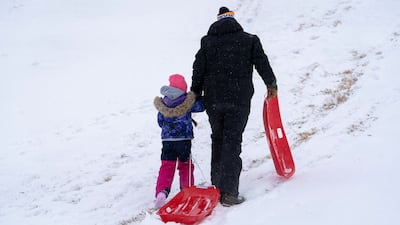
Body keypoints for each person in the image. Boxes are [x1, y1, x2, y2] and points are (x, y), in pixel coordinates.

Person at [190, 7, 278, 207]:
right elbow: (262, 63)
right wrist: (271, 84)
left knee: (218, 138)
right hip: (239, 98)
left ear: (217, 22)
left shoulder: (207, 42)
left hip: (214, 100)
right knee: (232, 140)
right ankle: (228, 192)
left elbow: (198, 69)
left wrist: (195, 93)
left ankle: (217, 185)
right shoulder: (248, 40)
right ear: (233, 21)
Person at [153, 74, 205, 209]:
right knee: (185, 166)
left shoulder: (163, 103)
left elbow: (160, 122)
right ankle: (187, 191)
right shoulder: (187, 102)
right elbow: (201, 107)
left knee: (166, 166)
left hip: (167, 141)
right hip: (184, 141)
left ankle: (161, 193)